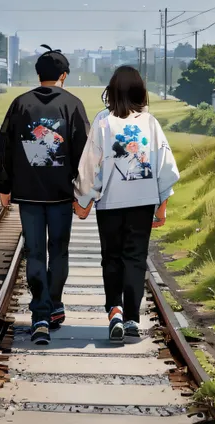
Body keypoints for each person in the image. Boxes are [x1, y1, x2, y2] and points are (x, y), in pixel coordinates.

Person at [0, 45, 89, 345]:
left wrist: (5, 186)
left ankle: (39, 315)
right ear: (63, 76)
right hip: (61, 195)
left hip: (29, 197)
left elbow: (0, 150)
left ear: (38, 74)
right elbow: (85, 154)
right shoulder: (73, 105)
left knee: (34, 252)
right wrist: (81, 193)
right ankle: (53, 305)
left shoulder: (20, 103)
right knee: (59, 251)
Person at [73, 66, 179, 342]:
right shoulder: (150, 123)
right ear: (139, 91)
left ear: (112, 91)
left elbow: (90, 164)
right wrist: (162, 205)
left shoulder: (103, 121)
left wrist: (83, 198)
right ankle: (132, 318)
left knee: (111, 257)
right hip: (143, 201)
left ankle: (115, 311)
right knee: (135, 258)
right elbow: (165, 167)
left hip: (110, 203)